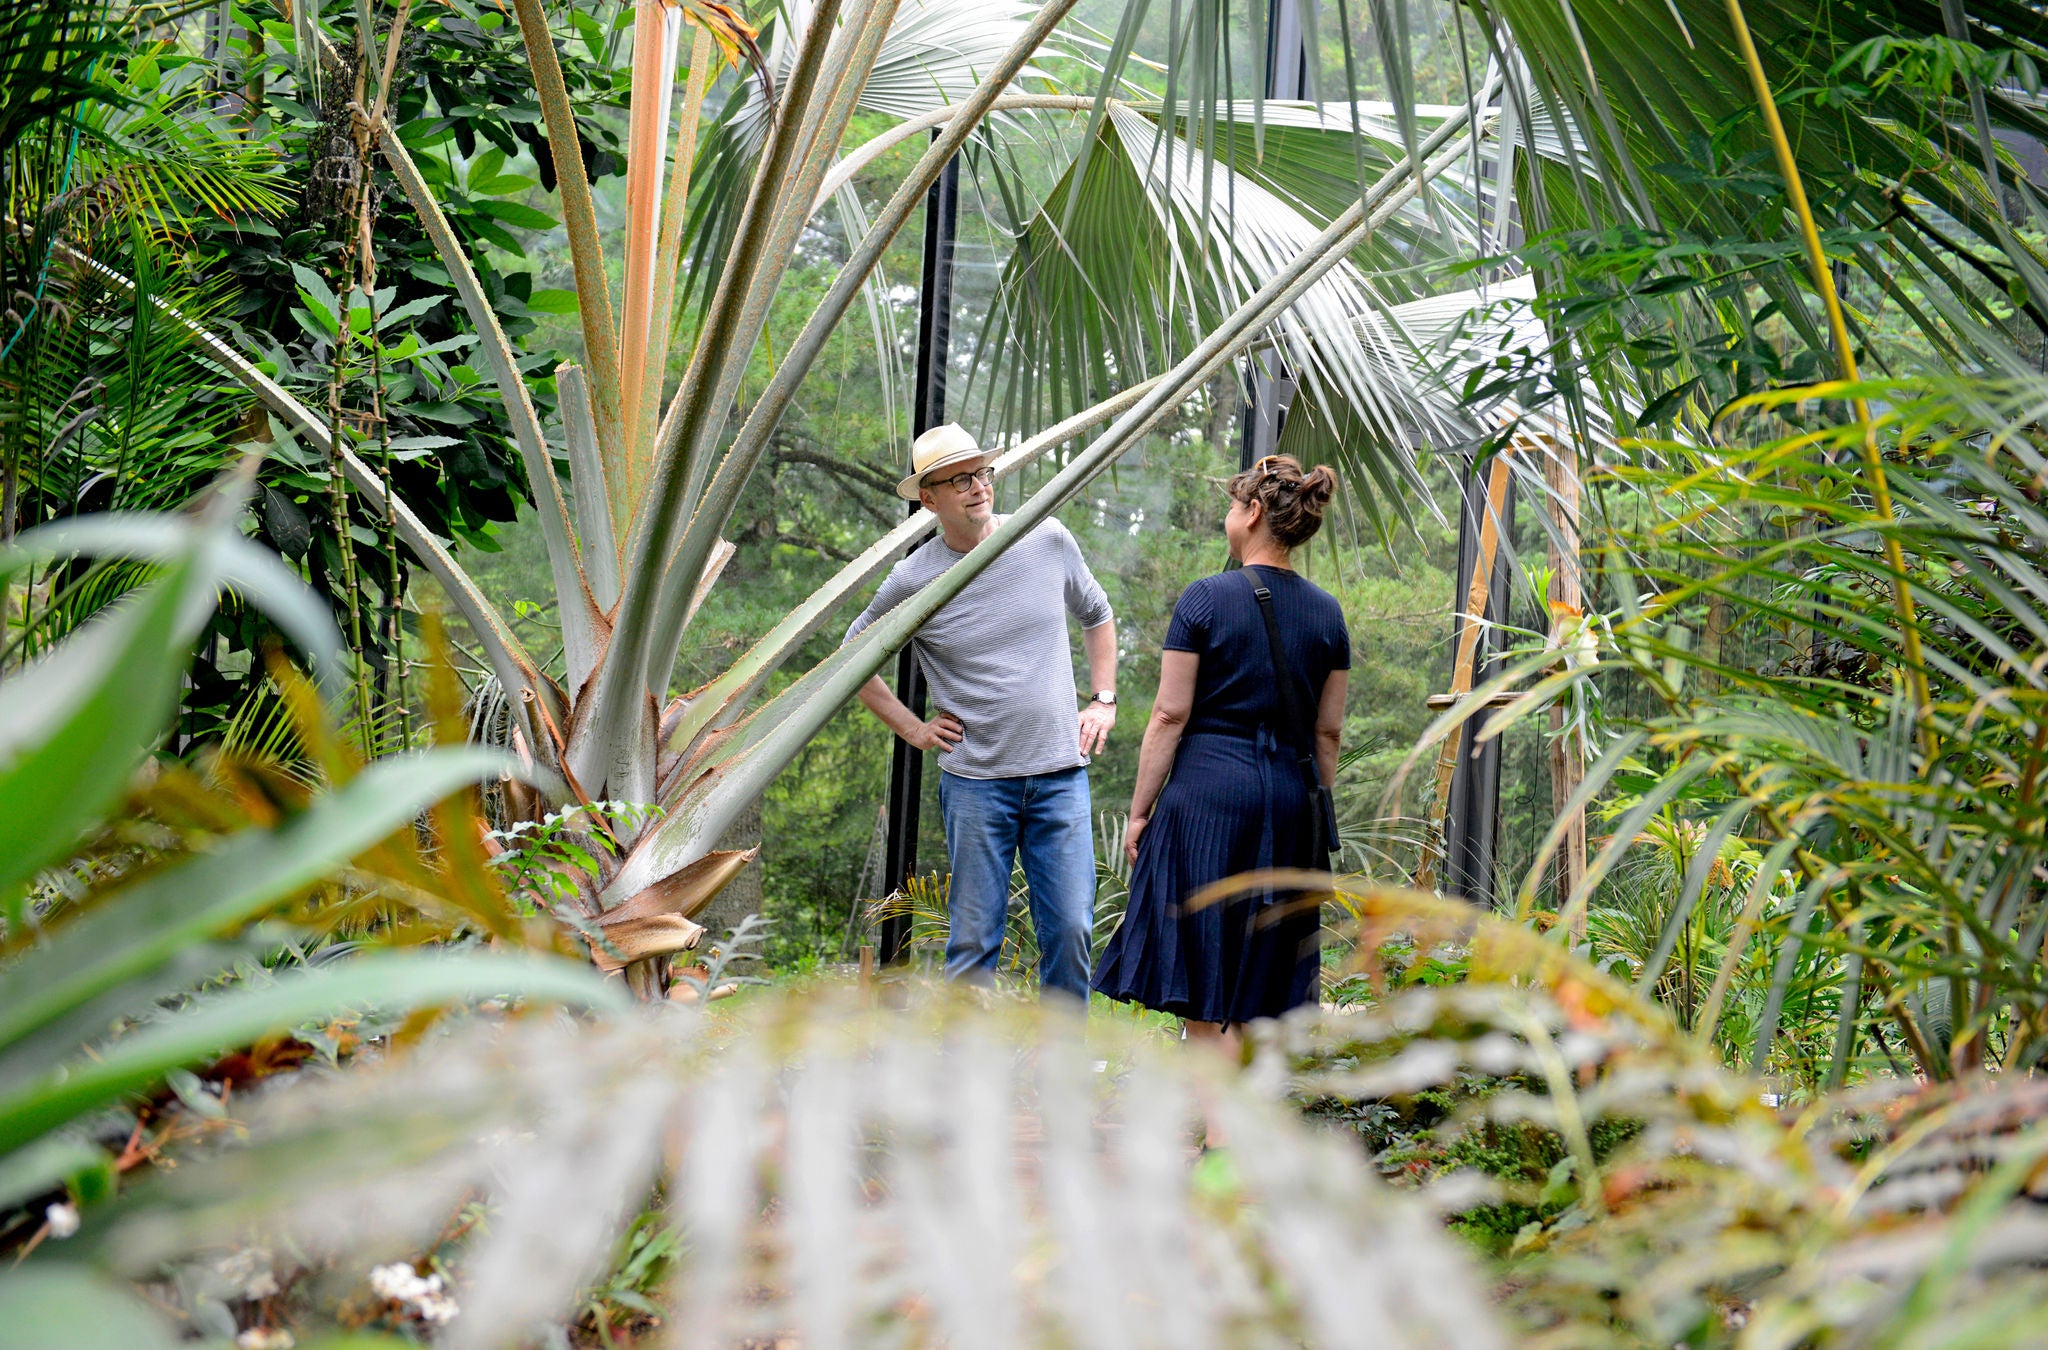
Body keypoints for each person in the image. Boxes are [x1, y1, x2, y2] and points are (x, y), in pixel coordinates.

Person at [845, 422, 1119, 1002]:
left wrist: (1103, 699)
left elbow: (1098, 613)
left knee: (1071, 930)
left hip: (1060, 776)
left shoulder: (1045, 537)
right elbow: (852, 657)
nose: (977, 487)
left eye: (982, 473)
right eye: (959, 479)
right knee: (972, 943)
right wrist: (912, 728)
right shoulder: (914, 577)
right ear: (929, 498)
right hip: (976, 786)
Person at [1092, 454, 1348, 1046]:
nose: (1229, 517)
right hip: (1289, 801)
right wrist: (1309, 805)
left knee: (1203, 964)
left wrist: (1139, 811)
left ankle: (1220, 1126)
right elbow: (1328, 734)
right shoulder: (1329, 615)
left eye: (1234, 506)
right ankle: (1233, 1126)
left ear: (1254, 512)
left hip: (1206, 797)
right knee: (1264, 973)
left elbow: (1169, 713)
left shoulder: (1205, 599)